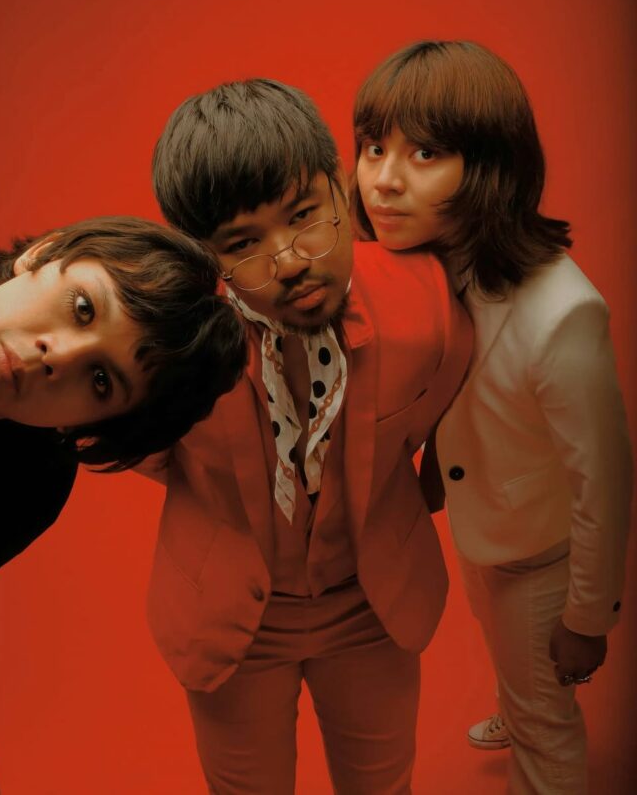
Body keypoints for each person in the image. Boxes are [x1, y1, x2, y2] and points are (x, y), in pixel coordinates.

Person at [148, 78, 473, 794]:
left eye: (304, 215)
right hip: (233, 621)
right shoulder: (168, 351)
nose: (291, 260)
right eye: (243, 243)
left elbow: (435, 415)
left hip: (374, 604)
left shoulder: (428, 306)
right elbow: (143, 449)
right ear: (202, 257)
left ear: (340, 186)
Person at [352, 40, 632, 794]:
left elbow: (604, 481)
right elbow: (456, 371)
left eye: (425, 153)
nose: (384, 180)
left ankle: (533, 713)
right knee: (507, 650)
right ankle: (520, 694)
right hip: (484, 526)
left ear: (490, 168)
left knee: (547, 729)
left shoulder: (564, 314)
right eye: (373, 148)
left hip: (539, 555)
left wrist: (589, 618)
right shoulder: (428, 264)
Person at [0, 215, 246, 790]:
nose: (57, 355)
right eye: (83, 308)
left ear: (85, 425)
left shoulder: (29, 477)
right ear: (45, 252)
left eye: (101, 381)